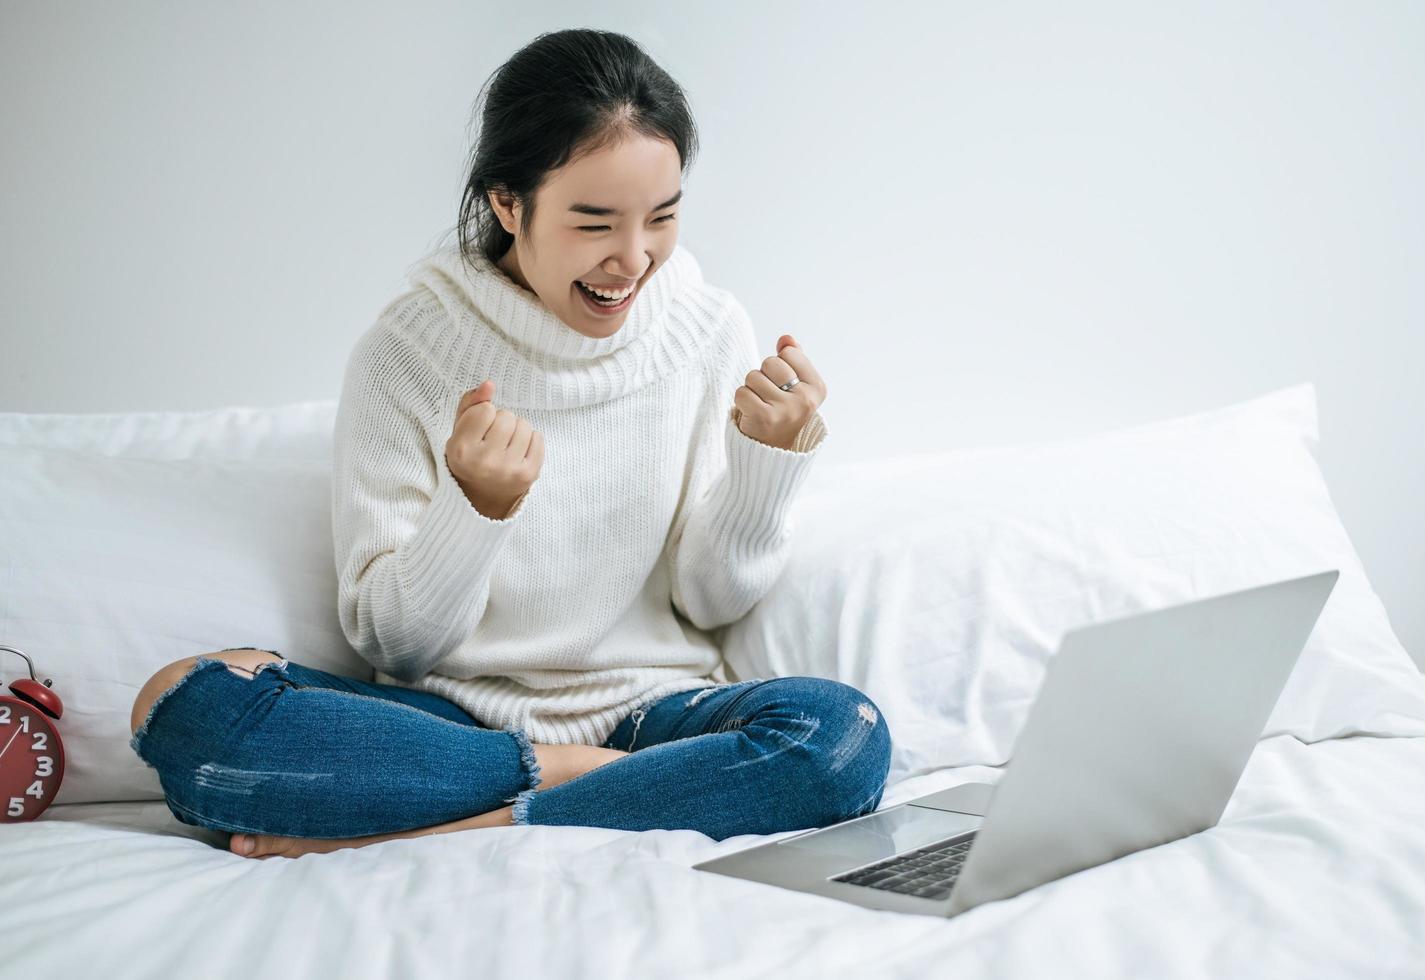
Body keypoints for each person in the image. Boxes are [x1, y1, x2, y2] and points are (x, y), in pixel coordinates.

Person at [128, 28, 891, 860]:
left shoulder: (707, 329)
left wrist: (765, 465)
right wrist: (476, 510)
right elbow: (393, 644)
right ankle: (576, 779)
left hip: (654, 715)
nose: (631, 260)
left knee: (843, 737)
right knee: (186, 706)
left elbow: (711, 604)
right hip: (452, 725)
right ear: (507, 204)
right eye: (593, 222)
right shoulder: (410, 351)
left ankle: (469, 825)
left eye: (662, 218)